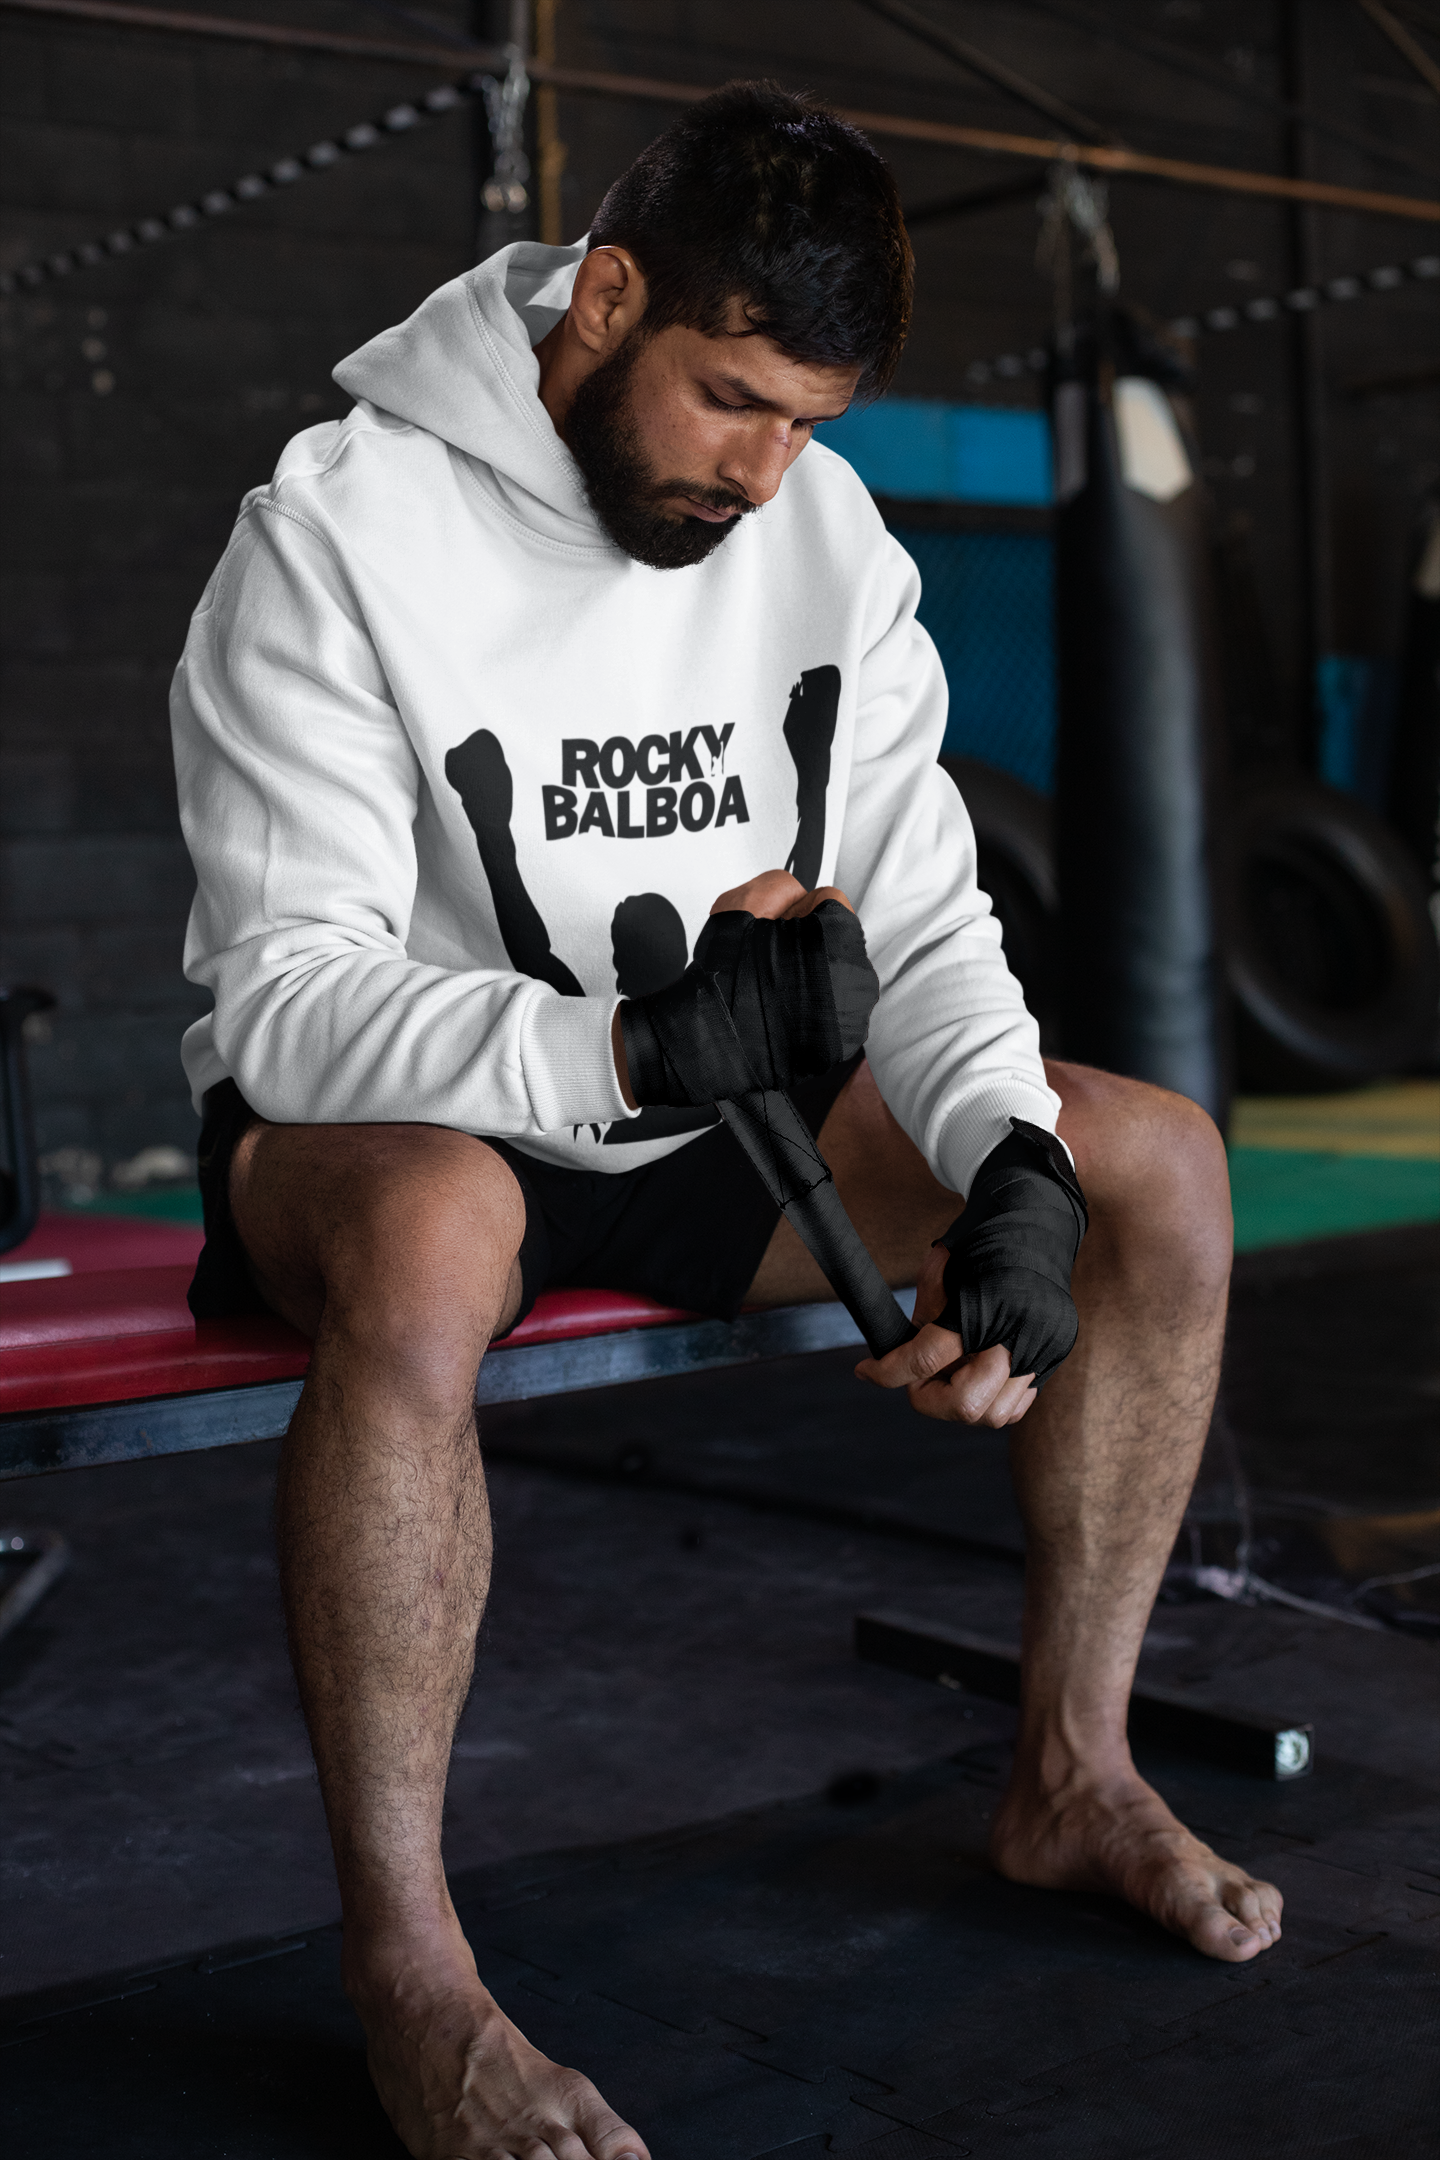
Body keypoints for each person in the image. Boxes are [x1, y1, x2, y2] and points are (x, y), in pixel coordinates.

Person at [171, 81, 1281, 2160]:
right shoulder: (334, 532)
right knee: (426, 1227)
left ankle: (1074, 1771)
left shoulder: (822, 536)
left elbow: (924, 916)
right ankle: (412, 1968)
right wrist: (624, 1053)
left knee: (1153, 1162)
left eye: (811, 424)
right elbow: (291, 1009)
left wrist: (1011, 1161)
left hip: (713, 1111)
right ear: (606, 299)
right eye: (736, 401)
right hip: (406, 1129)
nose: (765, 475)